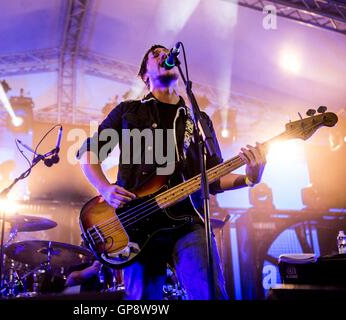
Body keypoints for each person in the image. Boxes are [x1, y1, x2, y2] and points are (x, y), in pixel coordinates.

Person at [77, 44, 267, 300]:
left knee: (210, 295)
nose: (163, 55)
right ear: (145, 75)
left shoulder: (198, 120)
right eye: (155, 55)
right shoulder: (128, 112)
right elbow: (89, 153)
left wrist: (250, 177)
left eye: (166, 53)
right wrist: (104, 189)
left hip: (188, 221)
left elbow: (213, 176)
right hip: (135, 224)